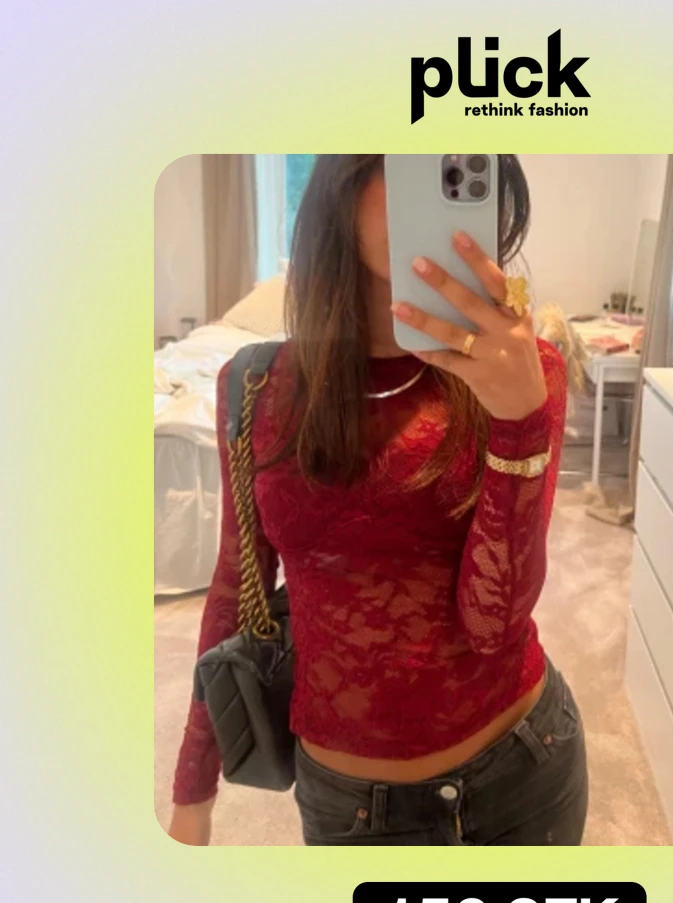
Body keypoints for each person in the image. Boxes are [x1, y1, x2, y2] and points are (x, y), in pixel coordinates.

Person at [167, 154, 588, 846]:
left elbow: (493, 627)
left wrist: (519, 423)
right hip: (348, 804)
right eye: (414, 162)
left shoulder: (527, 373)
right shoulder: (257, 385)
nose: (440, 192)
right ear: (342, 182)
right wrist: (193, 788)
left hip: (523, 768)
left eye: (465, 172)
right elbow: (237, 583)